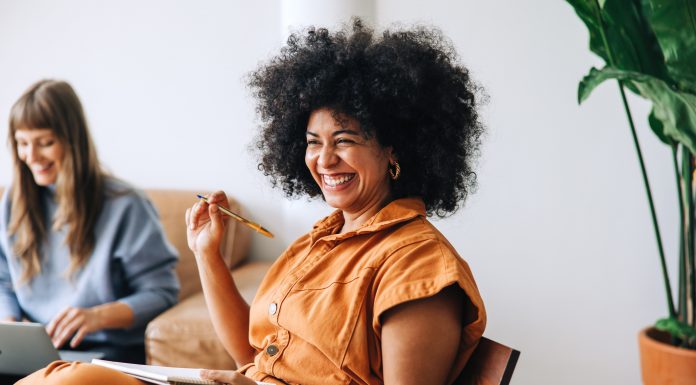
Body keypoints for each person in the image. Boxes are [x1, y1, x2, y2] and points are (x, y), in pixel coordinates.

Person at [17, 19, 486, 385]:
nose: (323, 160)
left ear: (395, 150)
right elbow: (250, 352)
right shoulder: (321, 241)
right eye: (311, 141)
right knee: (62, 375)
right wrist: (207, 254)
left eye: (344, 140)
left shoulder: (420, 267)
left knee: (73, 379)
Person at [0, 79, 180, 366]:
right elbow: (3, 280)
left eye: (45, 143)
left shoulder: (125, 204)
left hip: (105, 355)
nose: (31, 157)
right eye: (22, 144)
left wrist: (97, 316)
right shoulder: (13, 202)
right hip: (36, 353)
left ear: (72, 141)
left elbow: (161, 292)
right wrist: (9, 326)